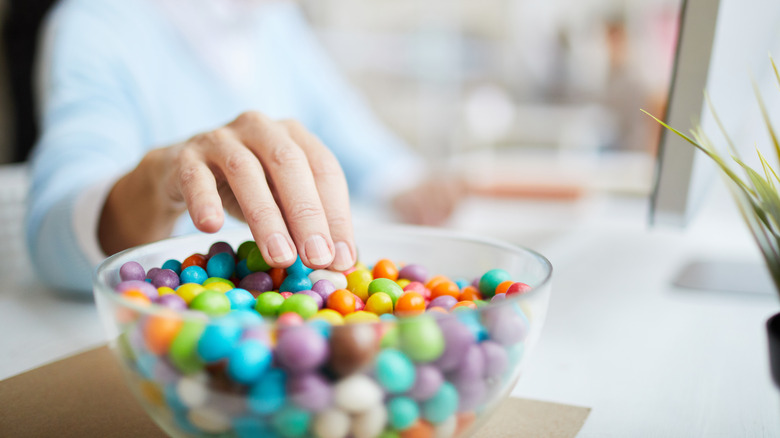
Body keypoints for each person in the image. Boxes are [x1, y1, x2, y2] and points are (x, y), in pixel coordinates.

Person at [26, 0, 462, 294]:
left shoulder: (273, 18)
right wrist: (161, 178)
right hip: (154, 317)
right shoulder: (94, 22)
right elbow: (52, 233)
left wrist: (403, 178)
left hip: (279, 289)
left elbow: (344, 122)